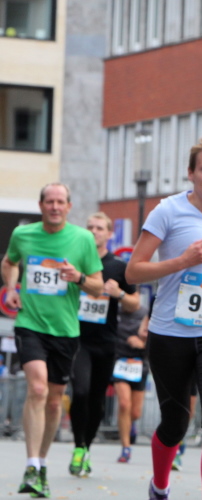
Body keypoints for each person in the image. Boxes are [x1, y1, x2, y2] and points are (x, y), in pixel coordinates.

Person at [125, 136, 202, 500]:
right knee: (175, 422)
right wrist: (182, 262)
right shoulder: (168, 211)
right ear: (191, 173)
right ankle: (160, 485)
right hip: (170, 333)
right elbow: (133, 271)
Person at [1, 183, 104, 498]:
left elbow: (98, 287)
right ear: (41, 205)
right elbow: (9, 262)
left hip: (65, 330)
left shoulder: (83, 239)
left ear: (69, 207)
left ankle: (42, 463)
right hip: (30, 324)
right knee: (37, 388)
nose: (55, 207)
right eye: (50, 202)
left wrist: (79, 277)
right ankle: (31, 464)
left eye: (60, 202)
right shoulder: (23, 235)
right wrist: (12, 289)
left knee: (55, 400)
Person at [69, 212, 140, 477]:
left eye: (99, 228)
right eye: (89, 227)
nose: (93, 231)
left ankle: (86, 447)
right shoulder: (75, 262)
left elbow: (135, 304)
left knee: (97, 400)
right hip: (78, 339)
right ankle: (78, 447)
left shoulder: (118, 267)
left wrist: (118, 293)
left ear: (110, 234)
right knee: (80, 392)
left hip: (106, 341)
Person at [114, 304, 149, 464]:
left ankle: (130, 425)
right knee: (124, 404)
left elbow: (157, 339)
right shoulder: (115, 312)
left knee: (135, 413)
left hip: (139, 364)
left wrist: (143, 344)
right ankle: (126, 448)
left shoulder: (145, 313)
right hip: (119, 361)